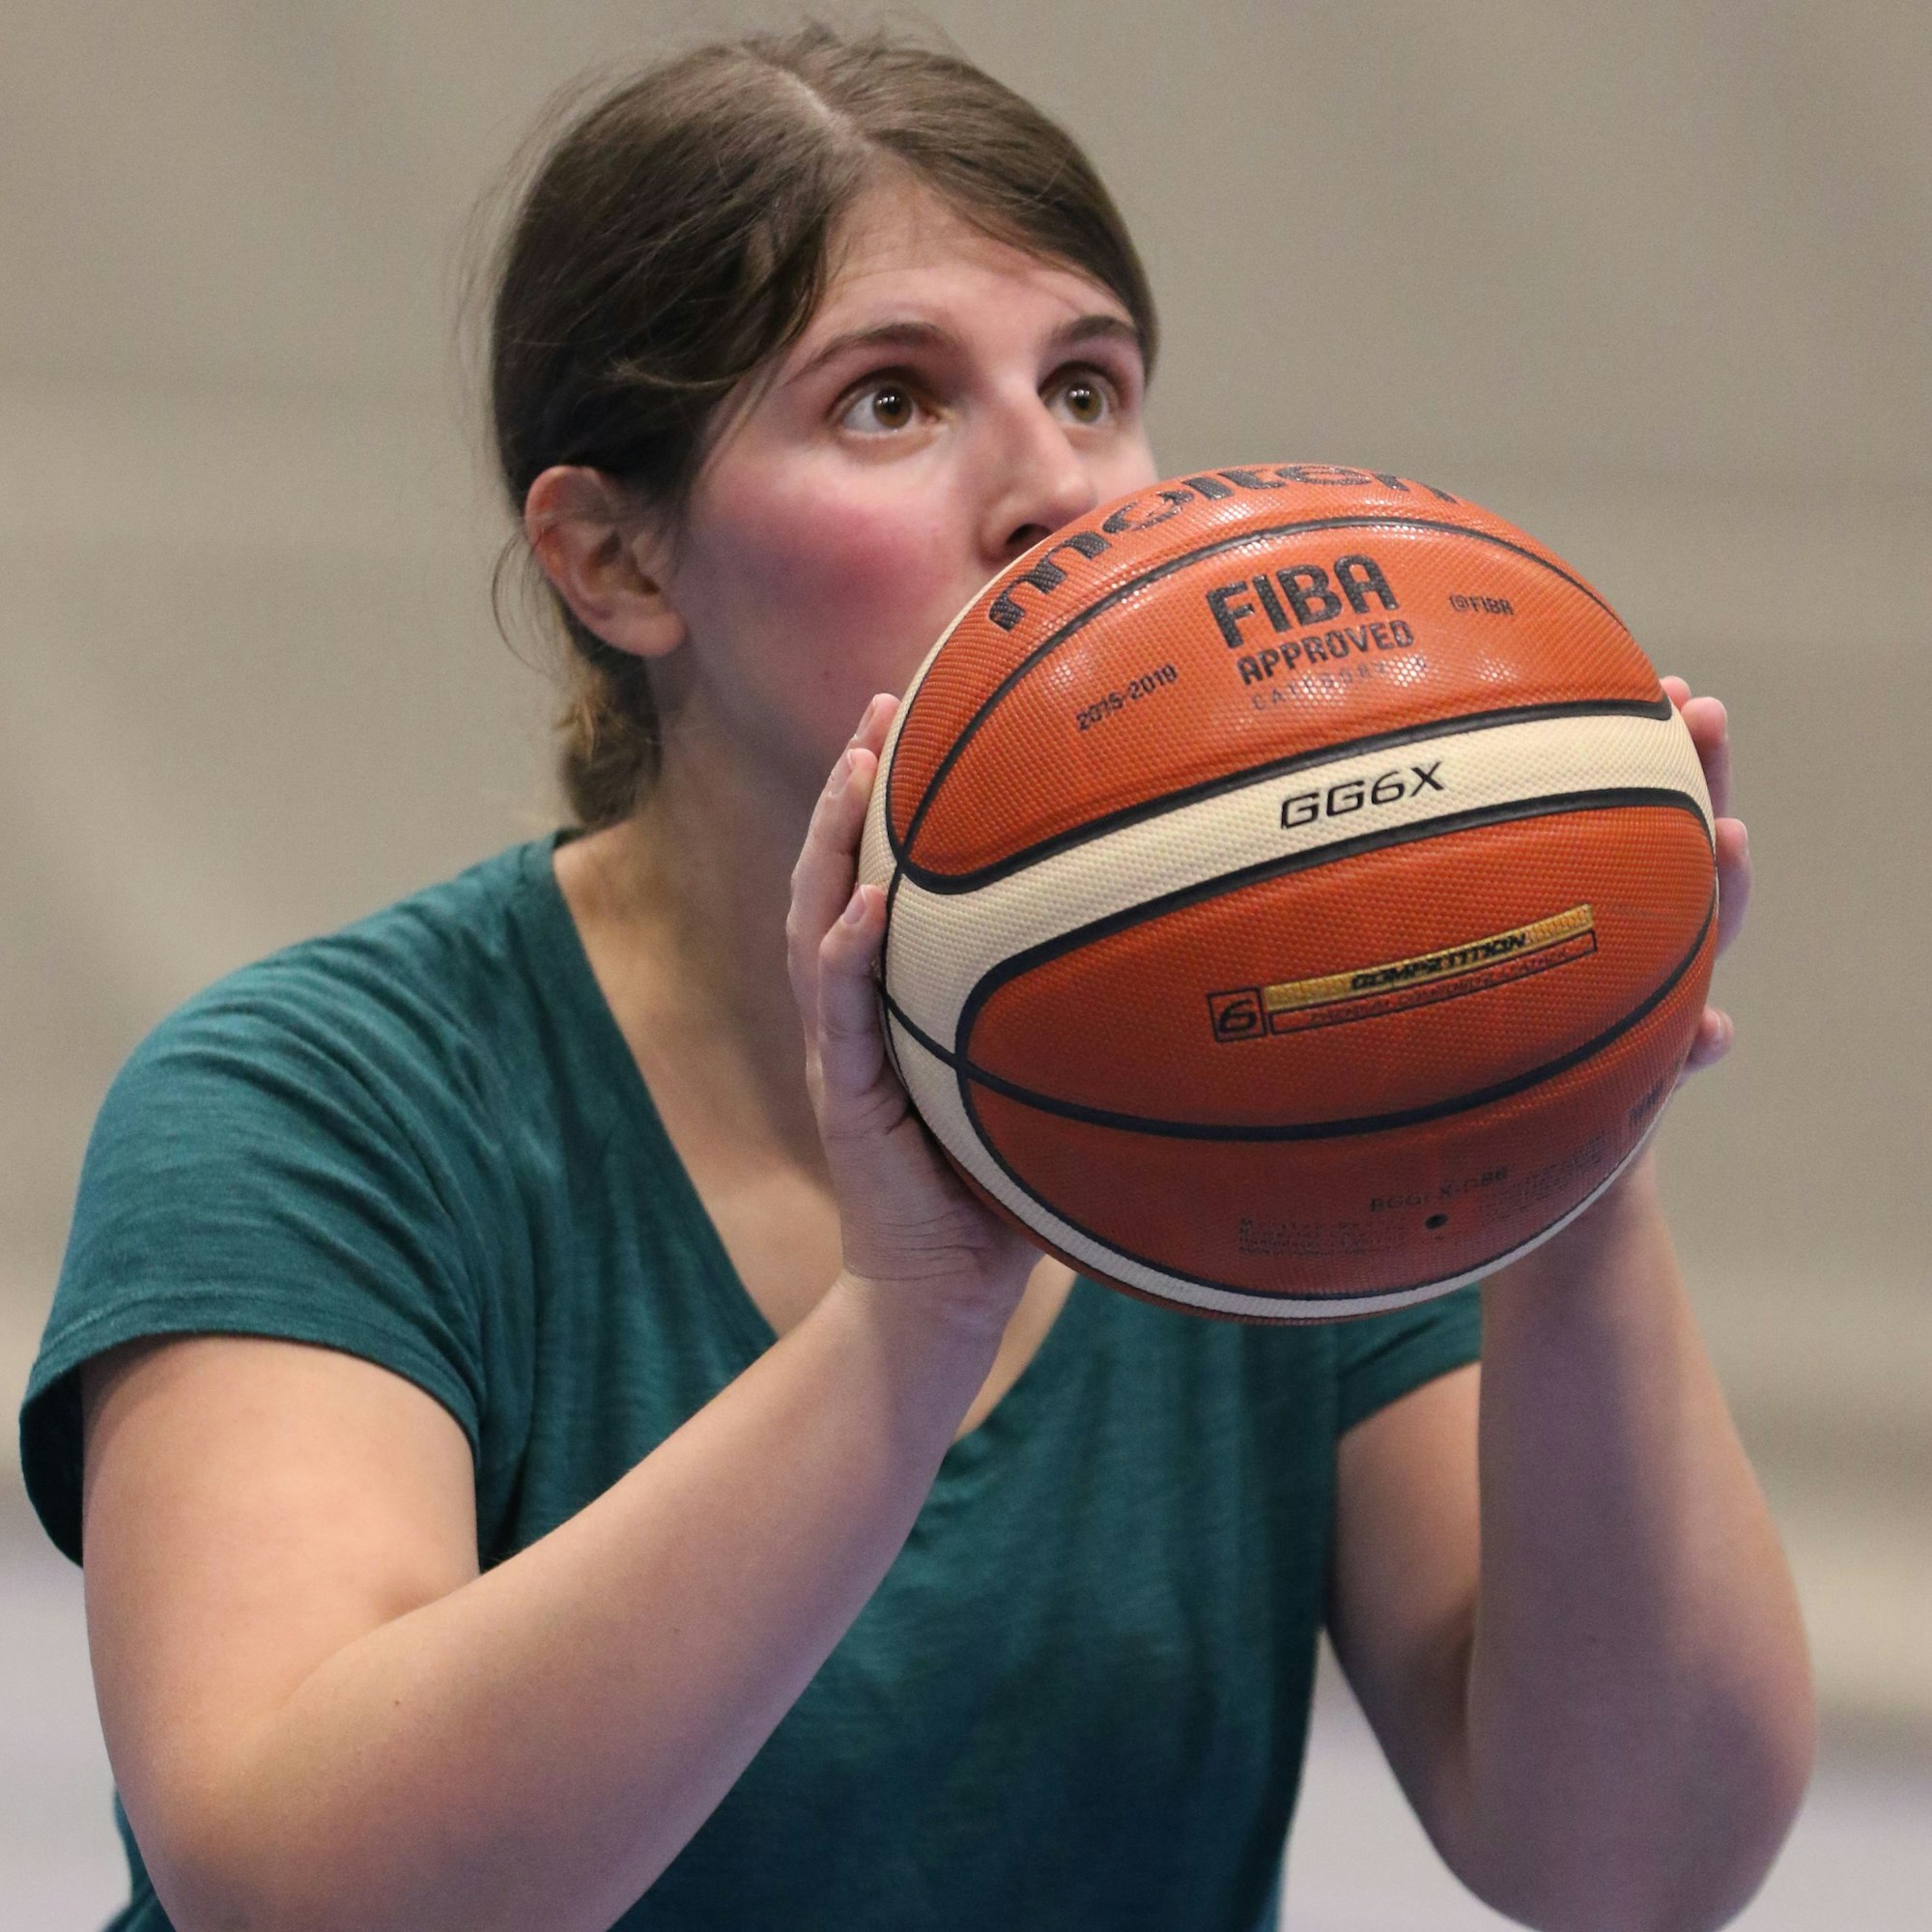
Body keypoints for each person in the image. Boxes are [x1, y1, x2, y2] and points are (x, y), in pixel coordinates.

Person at [21, 26, 1812, 1932]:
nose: (1064, 494)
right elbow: (309, 1895)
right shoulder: (313, 1105)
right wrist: (910, 1323)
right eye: (890, 401)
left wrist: (1564, 1149)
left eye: (1089, 385)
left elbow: (1634, 1871)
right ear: (618, 558)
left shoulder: (1280, 1103)